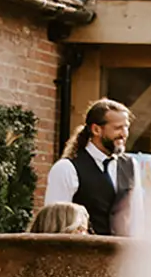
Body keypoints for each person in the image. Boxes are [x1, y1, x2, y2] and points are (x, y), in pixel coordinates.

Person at [44, 99, 134, 236]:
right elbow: (54, 224)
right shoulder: (66, 168)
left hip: (121, 254)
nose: (124, 134)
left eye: (126, 127)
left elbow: (137, 217)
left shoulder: (131, 165)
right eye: (118, 128)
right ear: (96, 129)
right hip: (85, 253)